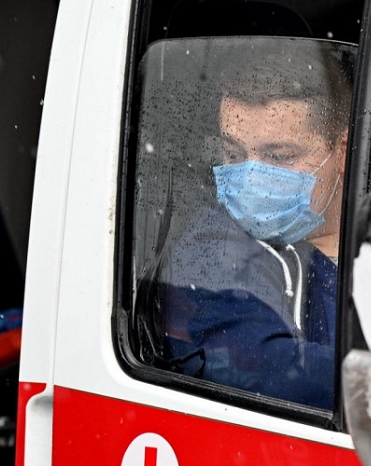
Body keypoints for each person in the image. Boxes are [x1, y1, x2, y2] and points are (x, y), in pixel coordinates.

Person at [152, 38, 355, 410]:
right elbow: (268, 371)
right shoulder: (211, 248)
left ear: (342, 151)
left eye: (279, 156)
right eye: (233, 153)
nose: (249, 178)